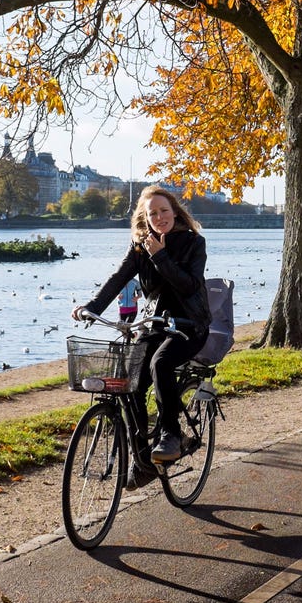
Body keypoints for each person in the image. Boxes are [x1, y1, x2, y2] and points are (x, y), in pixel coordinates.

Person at [72, 185, 211, 480]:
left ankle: (171, 434)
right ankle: (143, 461)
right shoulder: (140, 247)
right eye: (152, 213)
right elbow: (117, 279)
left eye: (163, 211)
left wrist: (161, 256)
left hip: (189, 325)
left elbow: (188, 285)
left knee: (161, 363)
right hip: (154, 325)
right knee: (129, 380)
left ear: (175, 212)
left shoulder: (193, 244)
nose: (159, 217)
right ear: (144, 218)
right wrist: (92, 307)